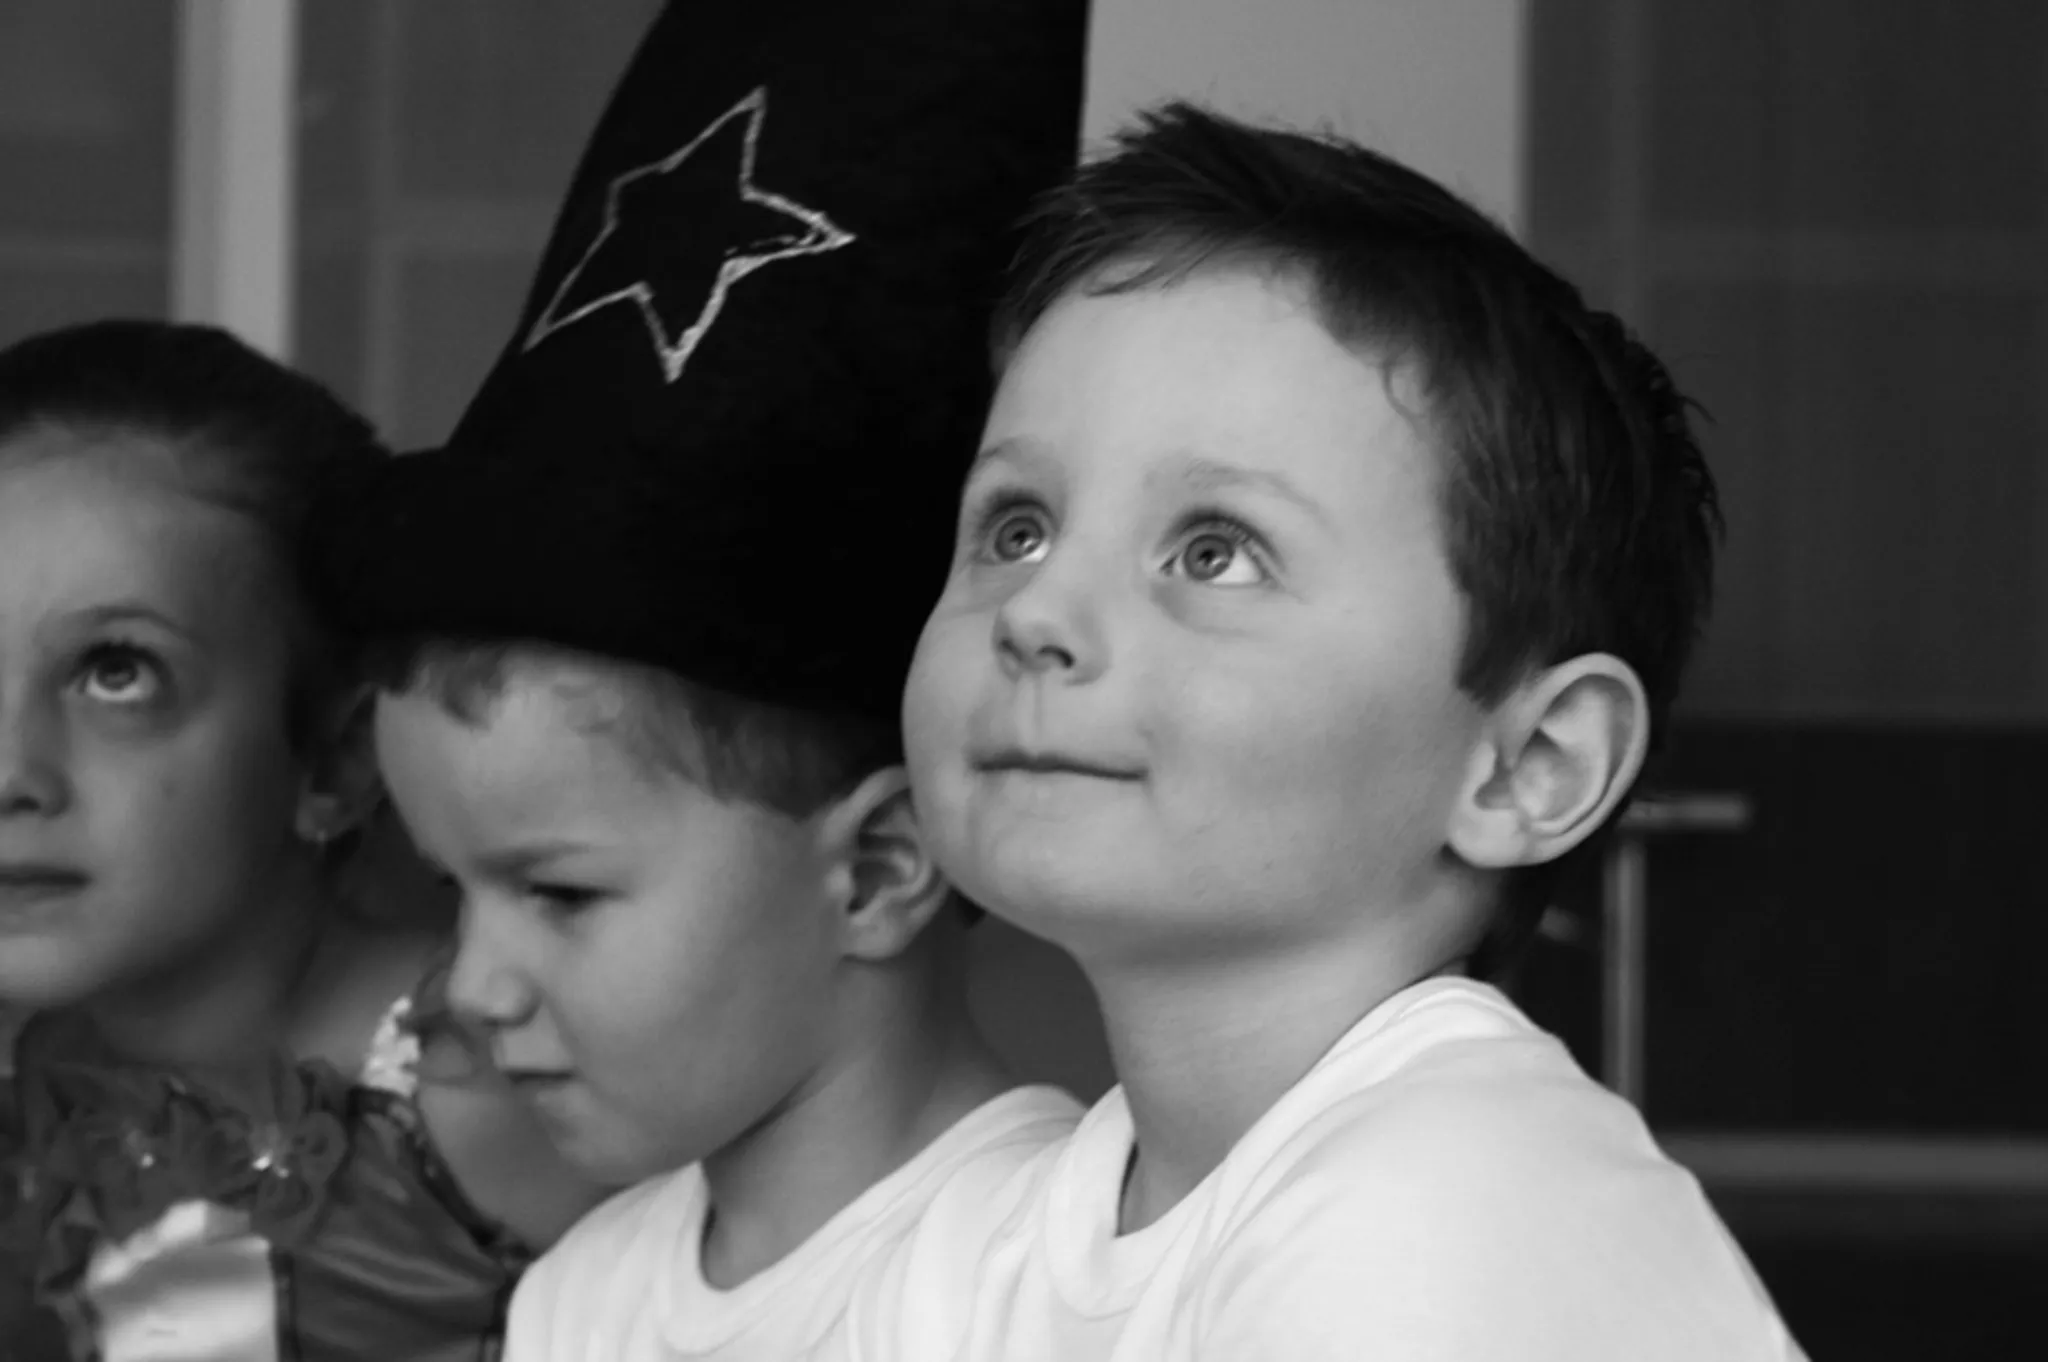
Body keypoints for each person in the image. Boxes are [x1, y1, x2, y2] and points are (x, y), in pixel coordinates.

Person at [893, 102, 1807, 1360]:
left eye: (1214, 551)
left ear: (1529, 765)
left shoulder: (1449, 1203)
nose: (1038, 610)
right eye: (1016, 528)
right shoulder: (998, 1242)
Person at [301, 2, 1090, 1357]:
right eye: (455, 889)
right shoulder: (578, 1299)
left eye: (558, 889)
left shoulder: (1065, 1288)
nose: (471, 988)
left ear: (884, 864)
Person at [0, 320, 604, 1362]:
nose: (11, 773)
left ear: (335, 756)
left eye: (116, 672)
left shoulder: (492, 1079)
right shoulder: (49, 1067)